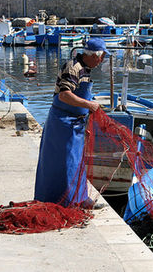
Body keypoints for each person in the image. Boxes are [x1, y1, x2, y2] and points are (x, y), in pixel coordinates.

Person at [34, 38, 110, 209]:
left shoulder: (86, 69)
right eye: (102, 56)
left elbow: (80, 95)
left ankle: (79, 198)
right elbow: (64, 95)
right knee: (63, 163)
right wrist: (89, 105)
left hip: (76, 123)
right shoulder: (73, 67)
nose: (102, 60)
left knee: (77, 162)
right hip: (62, 122)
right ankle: (62, 202)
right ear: (94, 55)